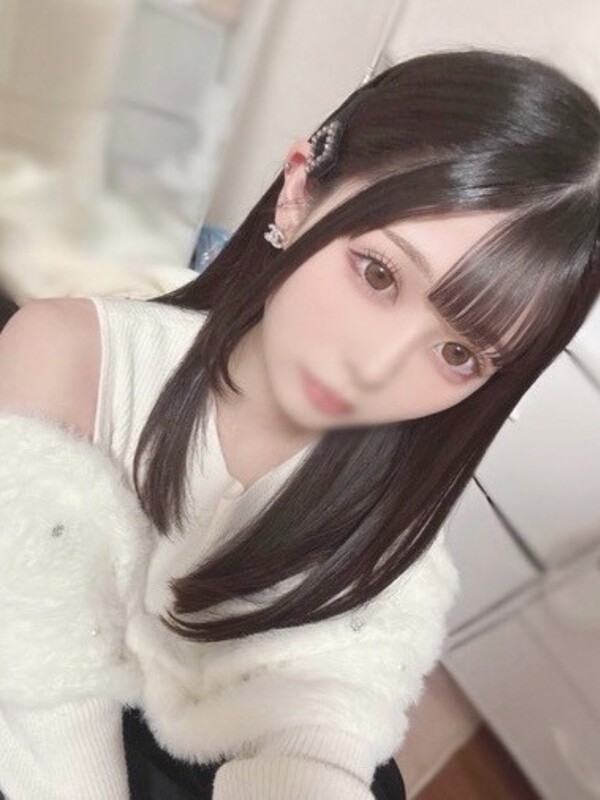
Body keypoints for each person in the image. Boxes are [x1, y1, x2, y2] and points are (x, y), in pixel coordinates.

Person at [0, 47, 599, 799]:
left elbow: (321, 737)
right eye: (378, 273)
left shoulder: (396, 538)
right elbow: (38, 704)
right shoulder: (67, 356)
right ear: (298, 191)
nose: (373, 368)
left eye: (458, 353)